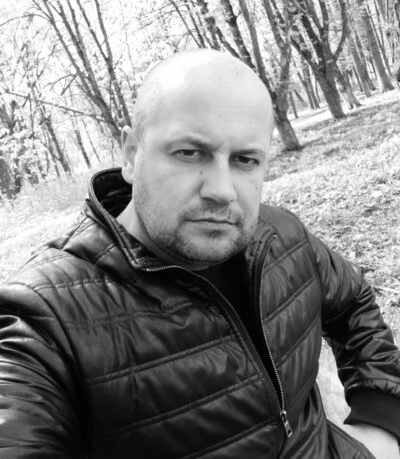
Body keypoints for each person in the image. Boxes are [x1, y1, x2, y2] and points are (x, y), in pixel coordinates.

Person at [0, 49, 399, 459]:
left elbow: (353, 302)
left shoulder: (280, 235)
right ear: (131, 154)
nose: (222, 190)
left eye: (245, 160)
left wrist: (382, 423)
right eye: (190, 153)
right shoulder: (41, 320)